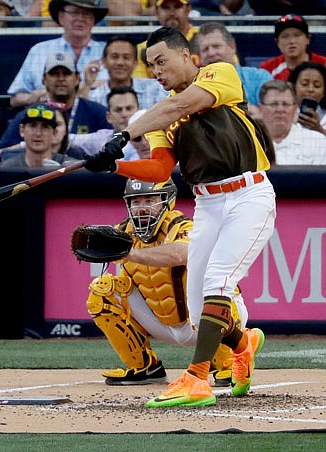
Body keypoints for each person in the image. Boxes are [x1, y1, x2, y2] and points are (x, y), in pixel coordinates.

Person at [84, 26, 276, 408]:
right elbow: (158, 170)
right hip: (207, 204)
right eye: (151, 65)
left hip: (248, 193)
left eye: (161, 61)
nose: (156, 70)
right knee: (194, 315)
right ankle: (243, 343)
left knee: (219, 280)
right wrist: (115, 166)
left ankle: (196, 378)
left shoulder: (219, 73)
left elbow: (179, 106)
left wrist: (124, 134)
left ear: (186, 56)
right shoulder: (157, 116)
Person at [87, 177, 248, 386]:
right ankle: (146, 367)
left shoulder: (182, 225)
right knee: (102, 290)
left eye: (149, 200)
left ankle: (226, 365)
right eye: (136, 202)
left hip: (206, 320)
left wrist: (130, 254)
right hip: (163, 321)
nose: (142, 208)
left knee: (209, 282)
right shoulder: (124, 232)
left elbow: (181, 254)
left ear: (167, 201)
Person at [0, 51, 111, 151]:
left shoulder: (98, 112)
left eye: (66, 73)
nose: (61, 78)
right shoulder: (29, 114)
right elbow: (1, 153)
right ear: (44, 79)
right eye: (54, 73)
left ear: (77, 78)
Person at [7, 0, 109, 108]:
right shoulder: (39, 50)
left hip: (99, 122)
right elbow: (14, 98)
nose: (80, 18)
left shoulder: (109, 53)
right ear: (61, 17)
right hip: (49, 119)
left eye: (87, 14)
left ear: (94, 20)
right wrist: (33, 97)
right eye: (74, 12)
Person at [195, 21, 273, 112]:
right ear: (200, 56)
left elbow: (272, 114)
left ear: (232, 47)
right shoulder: (194, 85)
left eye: (216, 46)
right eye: (205, 49)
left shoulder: (259, 77)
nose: (211, 53)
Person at [80, 36, 168, 110]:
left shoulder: (156, 89)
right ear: (104, 61)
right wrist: (87, 84)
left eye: (126, 57)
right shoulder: (95, 97)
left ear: (135, 63)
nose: (120, 63)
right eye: (114, 57)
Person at [0, 103, 85, 166]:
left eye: (45, 127)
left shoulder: (70, 167)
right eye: (32, 126)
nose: (38, 133)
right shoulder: (8, 167)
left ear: (54, 133)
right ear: (22, 130)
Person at [258, 80, 326, 165]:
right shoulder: (249, 142)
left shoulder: (317, 141)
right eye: (274, 104)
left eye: (286, 104)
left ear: (294, 109)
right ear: (261, 109)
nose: (280, 110)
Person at [133, 0, 198, 79]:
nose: (172, 13)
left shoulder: (207, 42)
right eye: (166, 8)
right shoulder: (143, 50)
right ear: (157, 12)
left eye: (177, 7)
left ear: (188, 10)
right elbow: (140, 86)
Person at [70, 86, 139, 156]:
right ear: (108, 117)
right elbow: (69, 139)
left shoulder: (149, 138)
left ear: (139, 111)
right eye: (118, 110)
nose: (124, 114)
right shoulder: (99, 139)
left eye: (129, 108)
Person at [260, 14, 326, 81]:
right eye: (285, 36)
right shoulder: (268, 68)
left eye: (297, 35)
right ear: (277, 42)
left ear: (308, 39)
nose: (291, 41)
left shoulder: (324, 64)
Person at [288, 61, 326, 136]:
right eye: (304, 84)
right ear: (294, 87)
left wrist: (319, 130)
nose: (310, 89)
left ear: (324, 92)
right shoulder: (282, 112)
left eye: (317, 86)